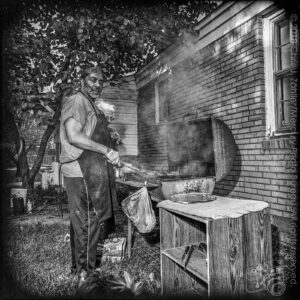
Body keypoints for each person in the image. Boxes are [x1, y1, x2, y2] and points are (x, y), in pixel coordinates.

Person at [59, 66, 120, 291]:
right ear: (83, 80)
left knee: (82, 222)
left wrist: (110, 134)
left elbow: (88, 131)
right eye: (93, 80)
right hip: (80, 168)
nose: (97, 84)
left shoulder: (89, 104)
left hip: (87, 168)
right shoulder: (77, 100)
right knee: (87, 221)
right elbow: (74, 136)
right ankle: (86, 277)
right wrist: (107, 150)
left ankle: (78, 270)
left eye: (100, 81)